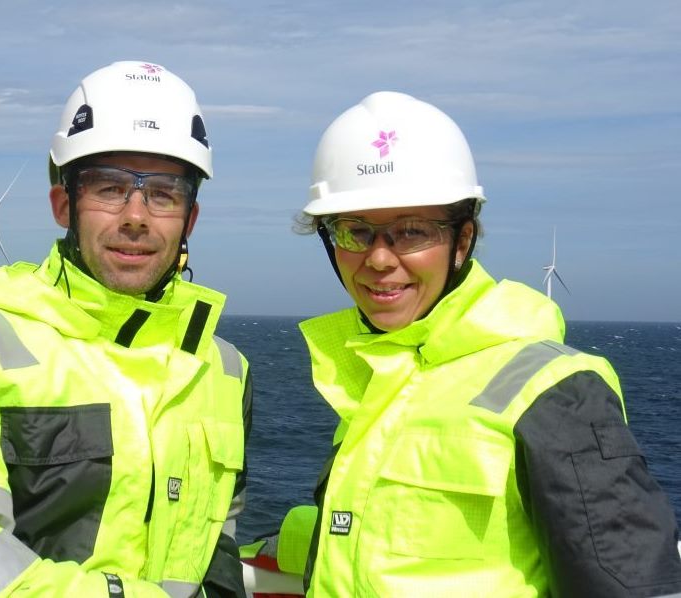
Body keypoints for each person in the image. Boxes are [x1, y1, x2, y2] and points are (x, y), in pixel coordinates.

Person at [245, 91, 681, 597]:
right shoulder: (384, 378)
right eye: (354, 232)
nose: (380, 259)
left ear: (464, 240)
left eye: (411, 232)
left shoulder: (554, 390)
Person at [0, 61, 252, 598]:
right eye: (109, 188)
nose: (136, 215)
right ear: (63, 205)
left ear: (189, 219)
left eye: (164, 193)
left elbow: (214, 541)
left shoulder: (224, 369)